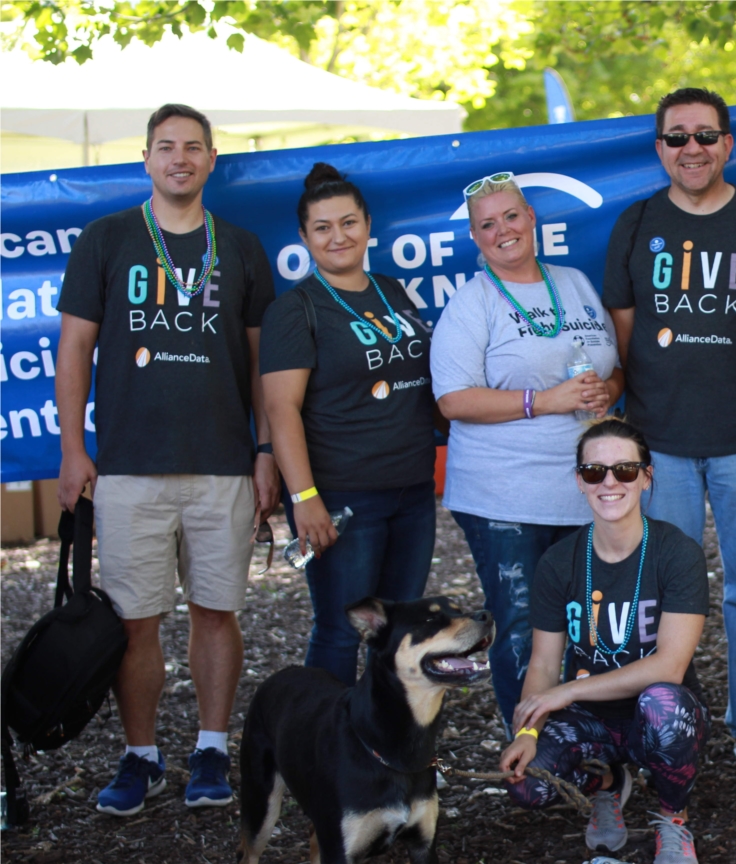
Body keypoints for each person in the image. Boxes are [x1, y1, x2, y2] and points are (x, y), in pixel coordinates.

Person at [55, 103, 278, 815]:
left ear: (212, 160)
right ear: (147, 160)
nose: (179, 158)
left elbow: (263, 364)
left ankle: (212, 747)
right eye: (165, 147)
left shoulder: (240, 246)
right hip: (128, 467)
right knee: (133, 620)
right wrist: (70, 449)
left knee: (217, 612)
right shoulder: (107, 238)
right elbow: (74, 349)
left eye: (192, 148)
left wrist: (268, 449)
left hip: (223, 466)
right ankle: (142, 755)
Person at [603, 87, 736, 777]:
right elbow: (623, 338)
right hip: (661, 443)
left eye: (705, 137)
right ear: (660, 149)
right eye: (677, 137)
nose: (692, 149)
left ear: (728, 144)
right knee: (665, 592)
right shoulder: (637, 222)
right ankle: (667, 713)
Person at [431, 172, 623, 727]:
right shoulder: (473, 303)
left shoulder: (576, 282)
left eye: (511, 216)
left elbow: (611, 367)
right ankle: (533, 749)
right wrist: (546, 400)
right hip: (505, 497)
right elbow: (453, 400)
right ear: (475, 237)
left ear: (532, 219)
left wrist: (603, 392)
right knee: (520, 622)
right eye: (487, 224)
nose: (503, 231)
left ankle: (590, 741)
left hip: (588, 490)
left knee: (590, 622)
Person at [260, 162, 440, 686]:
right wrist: (304, 497)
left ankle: (386, 751)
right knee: (341, 631)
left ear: (367, 224)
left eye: (348, 223)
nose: (337, 237)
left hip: (411, 489)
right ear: (304, 237)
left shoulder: (391, 290)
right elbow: (281, 410)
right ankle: (328, 758)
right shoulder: (296, 309)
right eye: (322, 228)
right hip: (342, 497)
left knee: (398, 632)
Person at [499, 418, 709, 864]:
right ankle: (608, 785)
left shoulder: (677, 553)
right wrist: (528, 729)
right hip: (589, 722)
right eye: (594, 471)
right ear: (579, 481)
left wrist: (565, 691)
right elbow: (542, 662)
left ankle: (673, 819)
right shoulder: (560, 562)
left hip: (655, 717)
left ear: (646, 477)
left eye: (625, 470)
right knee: (525, 783)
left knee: (664, 705)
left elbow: (670, 666)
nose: (609, 482)